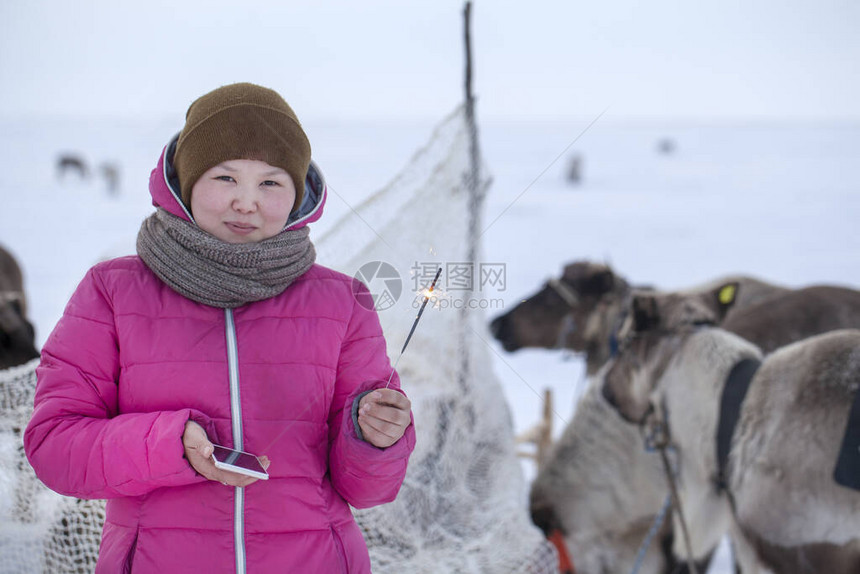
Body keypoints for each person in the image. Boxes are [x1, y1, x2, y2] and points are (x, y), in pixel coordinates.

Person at [24, 82, 416, 574]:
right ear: (185, 182)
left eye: (271, 183)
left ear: (299, 194)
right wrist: (170, 446)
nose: (246, 203)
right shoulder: (112, 292)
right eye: (225, 178)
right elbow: (55, 448)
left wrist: (377, 437)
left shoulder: (344, 302)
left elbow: (369, 489)